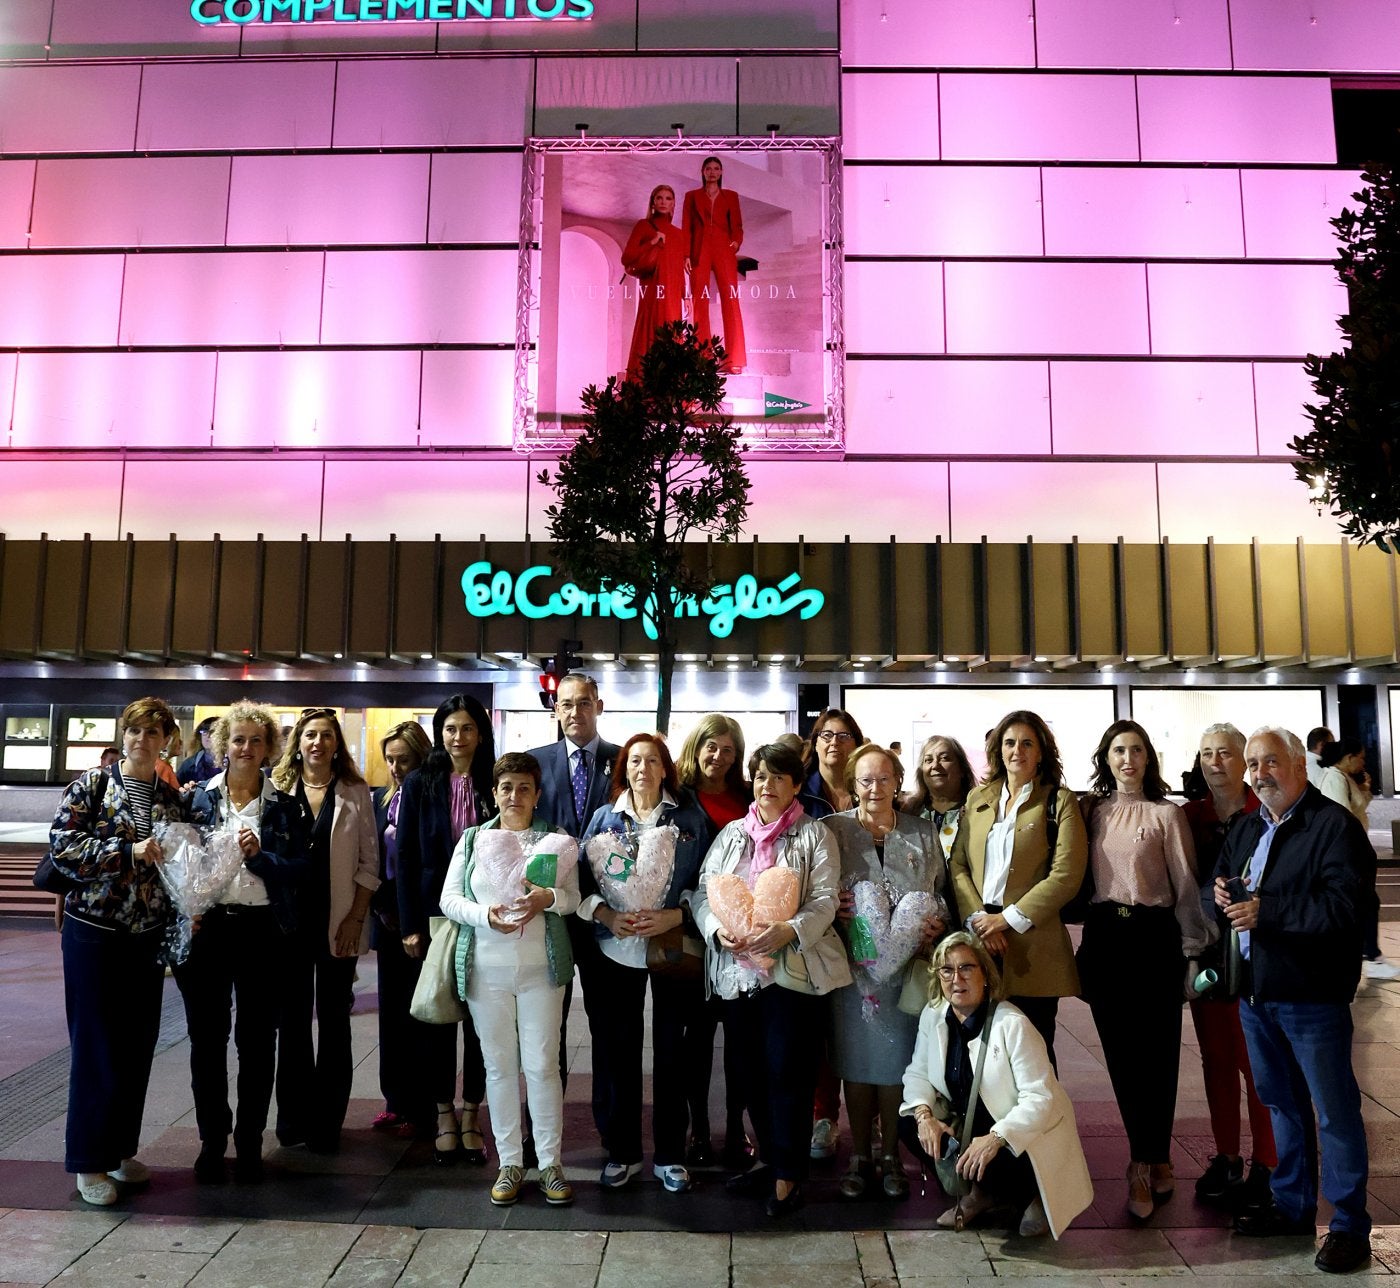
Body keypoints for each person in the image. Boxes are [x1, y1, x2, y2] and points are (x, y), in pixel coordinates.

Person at [1215, 726, 1374, 1274]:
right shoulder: (1245, 826)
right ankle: (1292, 1206)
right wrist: (1222, 893)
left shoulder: (1334, 828)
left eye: (1271, 763)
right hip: (1257, 996)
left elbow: (1343, 911)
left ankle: (1350, 1226)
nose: (1260, 774)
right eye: (1253, 764)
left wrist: (1268, 912)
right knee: (1281, 1104)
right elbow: (1228, 883)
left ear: (1300, 765)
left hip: (1311, 997)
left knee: (1334, 1112)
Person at [691, 742, 852, 1219]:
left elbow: (824, 900)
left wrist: (788, 930)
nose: (767, 786)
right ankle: (768, 1157)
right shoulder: (732, 835)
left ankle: (789, 1174)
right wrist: (716, 930)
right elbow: (702, 891)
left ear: (797, 786)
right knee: (748, 1073)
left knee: (789, 1073)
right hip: (738, 976)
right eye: (760, 777)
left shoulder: (813, 836)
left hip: (791, 975)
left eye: (778, 778)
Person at [49, 696, 187, 1206]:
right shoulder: (93, 784)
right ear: (122, 734)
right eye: (135, 731)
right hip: (95, 932)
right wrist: (123, 851)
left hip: (145, 936)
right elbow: (62, 845)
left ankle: (120, 1149)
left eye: (153, 733)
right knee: (96, 1045)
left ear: (167, 739)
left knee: (136, 1043)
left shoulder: (170, 799)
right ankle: (88, 1160)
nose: (142, 741)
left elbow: (178, 866)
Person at [1076, 719, 1212, 1220]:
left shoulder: (1165, 815)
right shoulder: (1092, 812)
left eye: (1135, 750)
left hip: (1155, 940)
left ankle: (1149, 1158)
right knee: (1122, 1057)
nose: (1127, 759)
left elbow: (1184, 884)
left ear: (1148, 758)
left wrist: (1193, 949)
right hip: (1107, 938)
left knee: (1159, 1057)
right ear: (1106, 758)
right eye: (1118, 750)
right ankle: (1146, 1157)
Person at [438, 752, 580, 1208]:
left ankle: (551, 1163)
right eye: (506, 787)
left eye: (524, 788)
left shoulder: (555, 839)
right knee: (498, 1066)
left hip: (542, 969)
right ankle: (510, 1162)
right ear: (493, 793)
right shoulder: (474, 838)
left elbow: (574, 899)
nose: (514, 796)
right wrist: (485, 916)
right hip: (487, 970)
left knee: (542, 1065)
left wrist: (549, 898)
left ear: (537, 794)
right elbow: (449, 900)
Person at [178, 702, 308, 1184]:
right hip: (208, 931)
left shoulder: (286, 807)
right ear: (222, 746)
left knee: (257, 1044)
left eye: (257, 740)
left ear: (270, 747)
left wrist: (263, 858)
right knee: (206, 1042)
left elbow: (301, 871)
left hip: (263, 933)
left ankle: (250, 1142)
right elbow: (178, 867)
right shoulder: (196, 801)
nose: (247, 749)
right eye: (238, 740)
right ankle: (213, 1141)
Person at [579, 734, 711, 1193]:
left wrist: (676, 913)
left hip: (672, 950)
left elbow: (708, 880)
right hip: (616, 952)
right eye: (635, 760)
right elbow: (579, 880)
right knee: (618, 1052)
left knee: (673, 1053)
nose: (643, 768)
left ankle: (671, 1154)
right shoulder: (603, 818)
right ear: (624, 768)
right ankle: (624, 1152)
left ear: (665, 768)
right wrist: (607, 914)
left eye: (652, 760)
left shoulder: (689, 817)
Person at [898, 932, 1093, 1238]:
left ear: (986, 974)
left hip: (1025, 1132)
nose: (956, 978)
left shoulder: (1012, 1024)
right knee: (908, 1124)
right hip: (973, 1121)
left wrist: (996, 1138)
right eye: (946, 970)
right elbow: (917, 1073)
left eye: (966, 968)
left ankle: (1035, 1197)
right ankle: (981, 1194)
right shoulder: (934, 1014)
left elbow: (1040, 1098)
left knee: (998, 1155)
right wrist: (925, 1118)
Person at [826, 743, 947, 1201]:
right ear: (852, 783)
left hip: (906, 967)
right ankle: (859, 1153)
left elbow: (941, 892)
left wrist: (938, 924)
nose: (874, 788)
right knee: (855, 1065)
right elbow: (810, 887)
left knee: (898, 1065)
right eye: (865, 780)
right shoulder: (830, 830)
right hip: (848, 967)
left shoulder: (922, 833)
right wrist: (826, 904)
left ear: (898, 781)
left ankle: (893, 1154)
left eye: (883, 779)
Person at [948, 710, 1087, 1067]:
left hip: (1032, 943)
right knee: (979, 1052)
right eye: (1010, 742)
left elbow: (1066, 874)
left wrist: (1007, 920)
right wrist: (981, 919)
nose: (1017, 751)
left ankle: (1039, 1124)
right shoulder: (977, 799)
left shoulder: (1059, 801)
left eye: (1027, 743)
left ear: (1041, 751)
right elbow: (958, 864)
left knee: (1033, 1053)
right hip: (980, 938)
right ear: (998, 749)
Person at [270, 707, 379, 1154]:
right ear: (299, 741)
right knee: (291, 1024)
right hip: (287, 923)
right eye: (310, 735)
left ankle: (328, 1122)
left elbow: (370, 865)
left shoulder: (355, 792)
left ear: (337, 744)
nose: (318, 742)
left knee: (335, 1022)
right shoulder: (276, 788)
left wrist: (356, 918)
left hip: (338, 921)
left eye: (326, 736)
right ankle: (293, 1120)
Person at [394, 695, 495, 1165]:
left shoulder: (494, 782)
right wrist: (410, 925)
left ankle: (473, 1113)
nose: (459, 737)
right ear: (440, 733)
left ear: (481, 732)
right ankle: (443, 1114)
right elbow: (407, 859)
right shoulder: (421, 783)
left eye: (468, 728)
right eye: (451, 728)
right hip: (436, 918)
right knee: (437, 1018)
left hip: (487, 918)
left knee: (480, 1022)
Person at [1182, 722, 1276, 1210]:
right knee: (1215, 1059)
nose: (1214, 762)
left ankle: (1267, 1162)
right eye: (1206, 754)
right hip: (1207, 958)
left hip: (1255, 958)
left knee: (1255, 1063)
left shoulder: (1264, 813)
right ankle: (1226, 1156)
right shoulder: (1190, 817)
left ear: (1244, 761)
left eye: (1224, 753)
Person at [528, 673, 620, 1147]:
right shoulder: (536, 764)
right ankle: (542, 1134)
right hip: (554, 914)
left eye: (583, 703)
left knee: (608, 1028)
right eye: (565, 704)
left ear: (598, 706)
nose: (574, 713)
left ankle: (610, 1131)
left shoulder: (622, 761)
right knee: (547, 1028)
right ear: (555, 709)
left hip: (606, 914)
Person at [675, 712, 752, 1168]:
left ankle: (737, 1127)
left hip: (740, 938)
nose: (718, 757)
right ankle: (698, 1129)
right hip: (692, 933)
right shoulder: (679, 798)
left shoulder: (747, 797)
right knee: (696, 1042)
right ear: (696, 747)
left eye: (728, 750)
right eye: (711, 747)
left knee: (740, 1041)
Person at [801, 707, 866, 1157]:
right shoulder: (801, 797)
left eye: (844, 735)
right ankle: (824, 1116)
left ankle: (874, 1116)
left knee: (867, 1017)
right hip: (816, 926)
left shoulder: (873, 789)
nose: (834, 743)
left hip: (870, 926)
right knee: (820, 1026)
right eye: (826, 735)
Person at [369, 718, 434, 1138]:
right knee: (390, 1014)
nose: (396, 768)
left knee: (424, 1013)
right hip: (386, 916)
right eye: (390, 760)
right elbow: (367, 857)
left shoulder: (432, 800)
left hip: (423, 918)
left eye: (404, 760)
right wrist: (379, 907)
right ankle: (395, 1099)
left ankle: (425, 1102)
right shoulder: (379, 801)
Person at [1316, 737, 1396, 981]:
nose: (1363, 761)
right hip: (1347, 853)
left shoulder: (1345, 778)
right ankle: (1369, 955)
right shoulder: (1334, 778)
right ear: (1348, 758)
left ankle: (1368, 953)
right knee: (1366, 903)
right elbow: (1342, 816)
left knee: (1366, 904)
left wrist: (1364, 790)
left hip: (1356, 849)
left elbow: (1356, 808)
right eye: (1360, 756)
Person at [683, 155, 746, 374]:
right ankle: (703, 358)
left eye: (716, 168)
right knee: (700, 301)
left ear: (720, 172)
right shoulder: (691, 197)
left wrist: (736, 242)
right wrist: (686, 254)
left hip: (723, 249)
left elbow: (737, 225)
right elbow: (687, 227)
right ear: (702, 172)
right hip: (699, 250)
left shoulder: (731, 196)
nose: (712, 172)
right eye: (708, 168)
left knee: (731, 300)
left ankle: (734, 359)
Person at [622, 184, 688, 379]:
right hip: (652, 288)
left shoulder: (679, 234)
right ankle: (645, 385)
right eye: (659, 198)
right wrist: (653, 241)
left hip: (674, 293)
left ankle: (671, 386)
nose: (663, 202)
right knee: (652, 330)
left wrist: (686, 295)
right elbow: (627, 258)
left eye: (668, 198)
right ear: (652, 202)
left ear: (674, 203)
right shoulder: (644, 225)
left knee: (672, 331)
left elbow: (679, 267)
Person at [901, 734, 975, 867]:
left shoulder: (977, 810)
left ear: (962, 769)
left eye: (945, 758)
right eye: (928, 760)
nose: (935, 765)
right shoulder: (910, 811)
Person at [178, 716, 220, 786]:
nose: (208, 736)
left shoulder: (232, 762)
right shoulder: (189, 765)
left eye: (212, 731)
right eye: (204, 731)